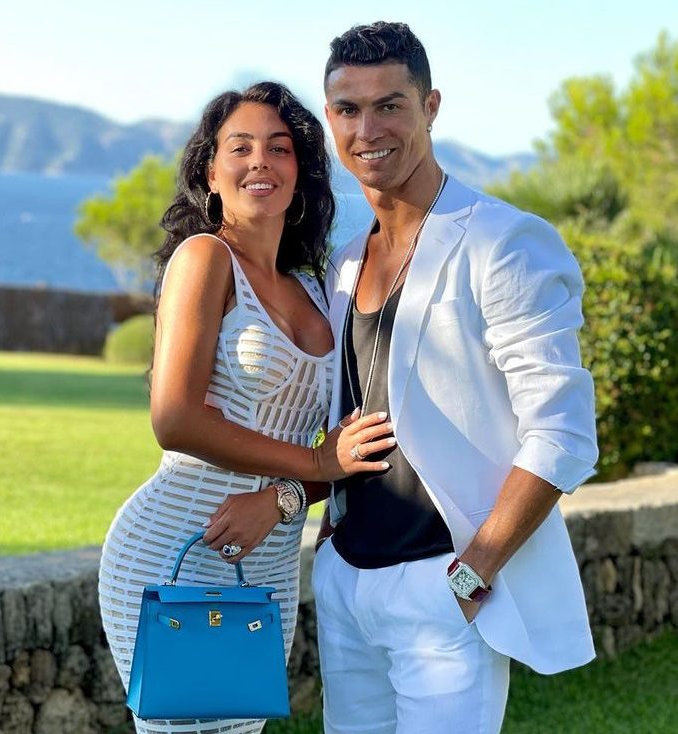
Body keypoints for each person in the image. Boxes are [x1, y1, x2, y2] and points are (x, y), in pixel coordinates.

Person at [310, 21, 600, 733]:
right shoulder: (343, 262)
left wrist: (472, 574)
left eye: (390, 105)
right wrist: (325, 544)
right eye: (348, 109)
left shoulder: (503, 241)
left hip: (444, 585)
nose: (367, 129)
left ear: (430, 106)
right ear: (330, 119)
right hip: (345, 582)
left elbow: (562, 434)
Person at [98, 81, 392, 734]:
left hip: (269, 562)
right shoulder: (205, 258)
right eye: (241, 147)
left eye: (279, 147)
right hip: (174, 545)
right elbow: (174, 418)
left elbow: (348, 452)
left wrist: (283, 497)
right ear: (211, 172)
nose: (261, 160)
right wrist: (313, 462)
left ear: (300, 173)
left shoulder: (318, 288)